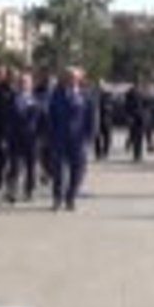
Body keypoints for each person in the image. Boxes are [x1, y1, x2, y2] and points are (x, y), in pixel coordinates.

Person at [48, 67, 93, 211]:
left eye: (74, 77)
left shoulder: (86, 95)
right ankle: (57, 198)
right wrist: (50, 135)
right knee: (59, 171)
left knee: (78, 170)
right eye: (68, 76)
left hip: (78, 140)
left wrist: (90, 137)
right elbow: (51, 116)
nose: (71, 79)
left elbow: (92, 118)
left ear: (79, 79)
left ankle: (71, 197)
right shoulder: (56, 94)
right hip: (60, 138)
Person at [5, 71, 41, 204]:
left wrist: (41, 137)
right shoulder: (10, 98)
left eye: (26, 82)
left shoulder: (36, 100)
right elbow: (5, 119)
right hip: (14, 138)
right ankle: (12, 191)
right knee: (14, 166)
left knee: (31, 166)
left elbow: (41, 120)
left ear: (31, 84)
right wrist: (5, 136)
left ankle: (29, 190)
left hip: (31, 139)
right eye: (21, 82)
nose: (23, 84)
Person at [123, 83, 151, 163]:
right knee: (136, 137)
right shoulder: (131, 95)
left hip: (140, 118)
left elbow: (147, 105)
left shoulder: (142, 94)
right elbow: (126, 107)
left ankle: (137, 155)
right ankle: (136, 154)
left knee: (137, 137)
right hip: (136, 118)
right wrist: (128, 116)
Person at [94, 80, 114, 160]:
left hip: (106, 119)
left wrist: (107, 108)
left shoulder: (108, 95)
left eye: (102, 85)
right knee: (97, 138)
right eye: (99, 85)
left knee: (107, 137)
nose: (100, 87)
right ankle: (98, 153)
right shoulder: (95, 95)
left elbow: (111, 107)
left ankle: (105, 152)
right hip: (97, 119)